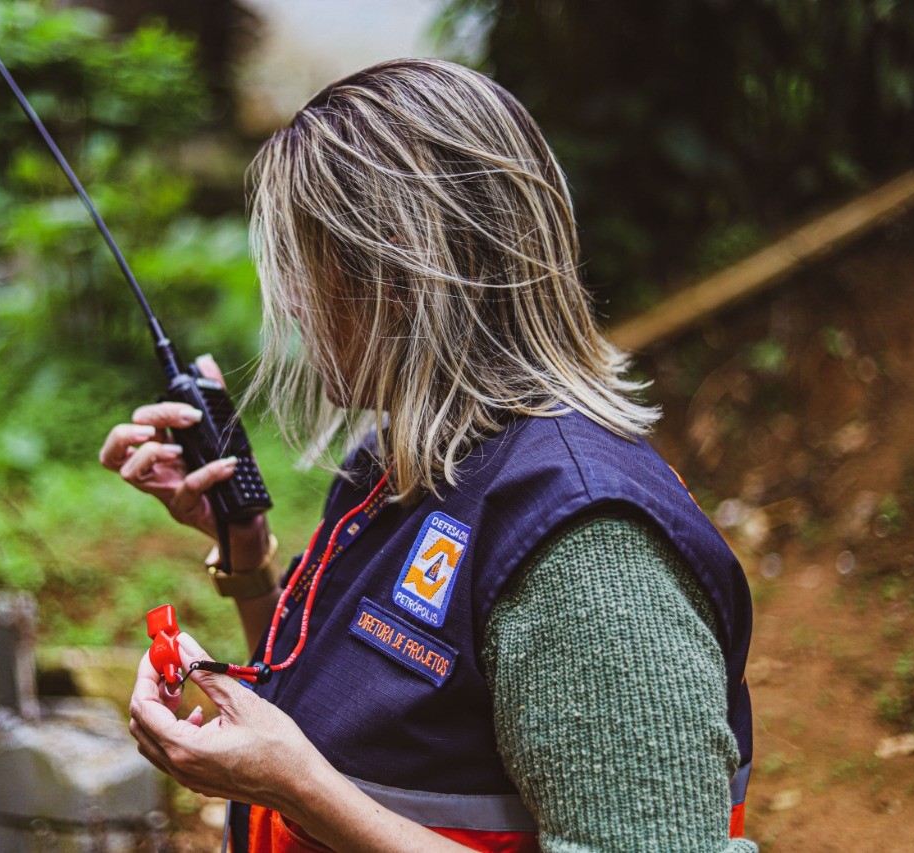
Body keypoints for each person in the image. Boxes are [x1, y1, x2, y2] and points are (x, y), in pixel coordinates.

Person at [101, 58, 755, 852]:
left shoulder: (587, 554)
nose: (296, 303)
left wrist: (294, 784)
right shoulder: (403, 465)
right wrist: (245, 551)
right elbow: (378, 715)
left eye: (310, 263)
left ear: (400, 275)